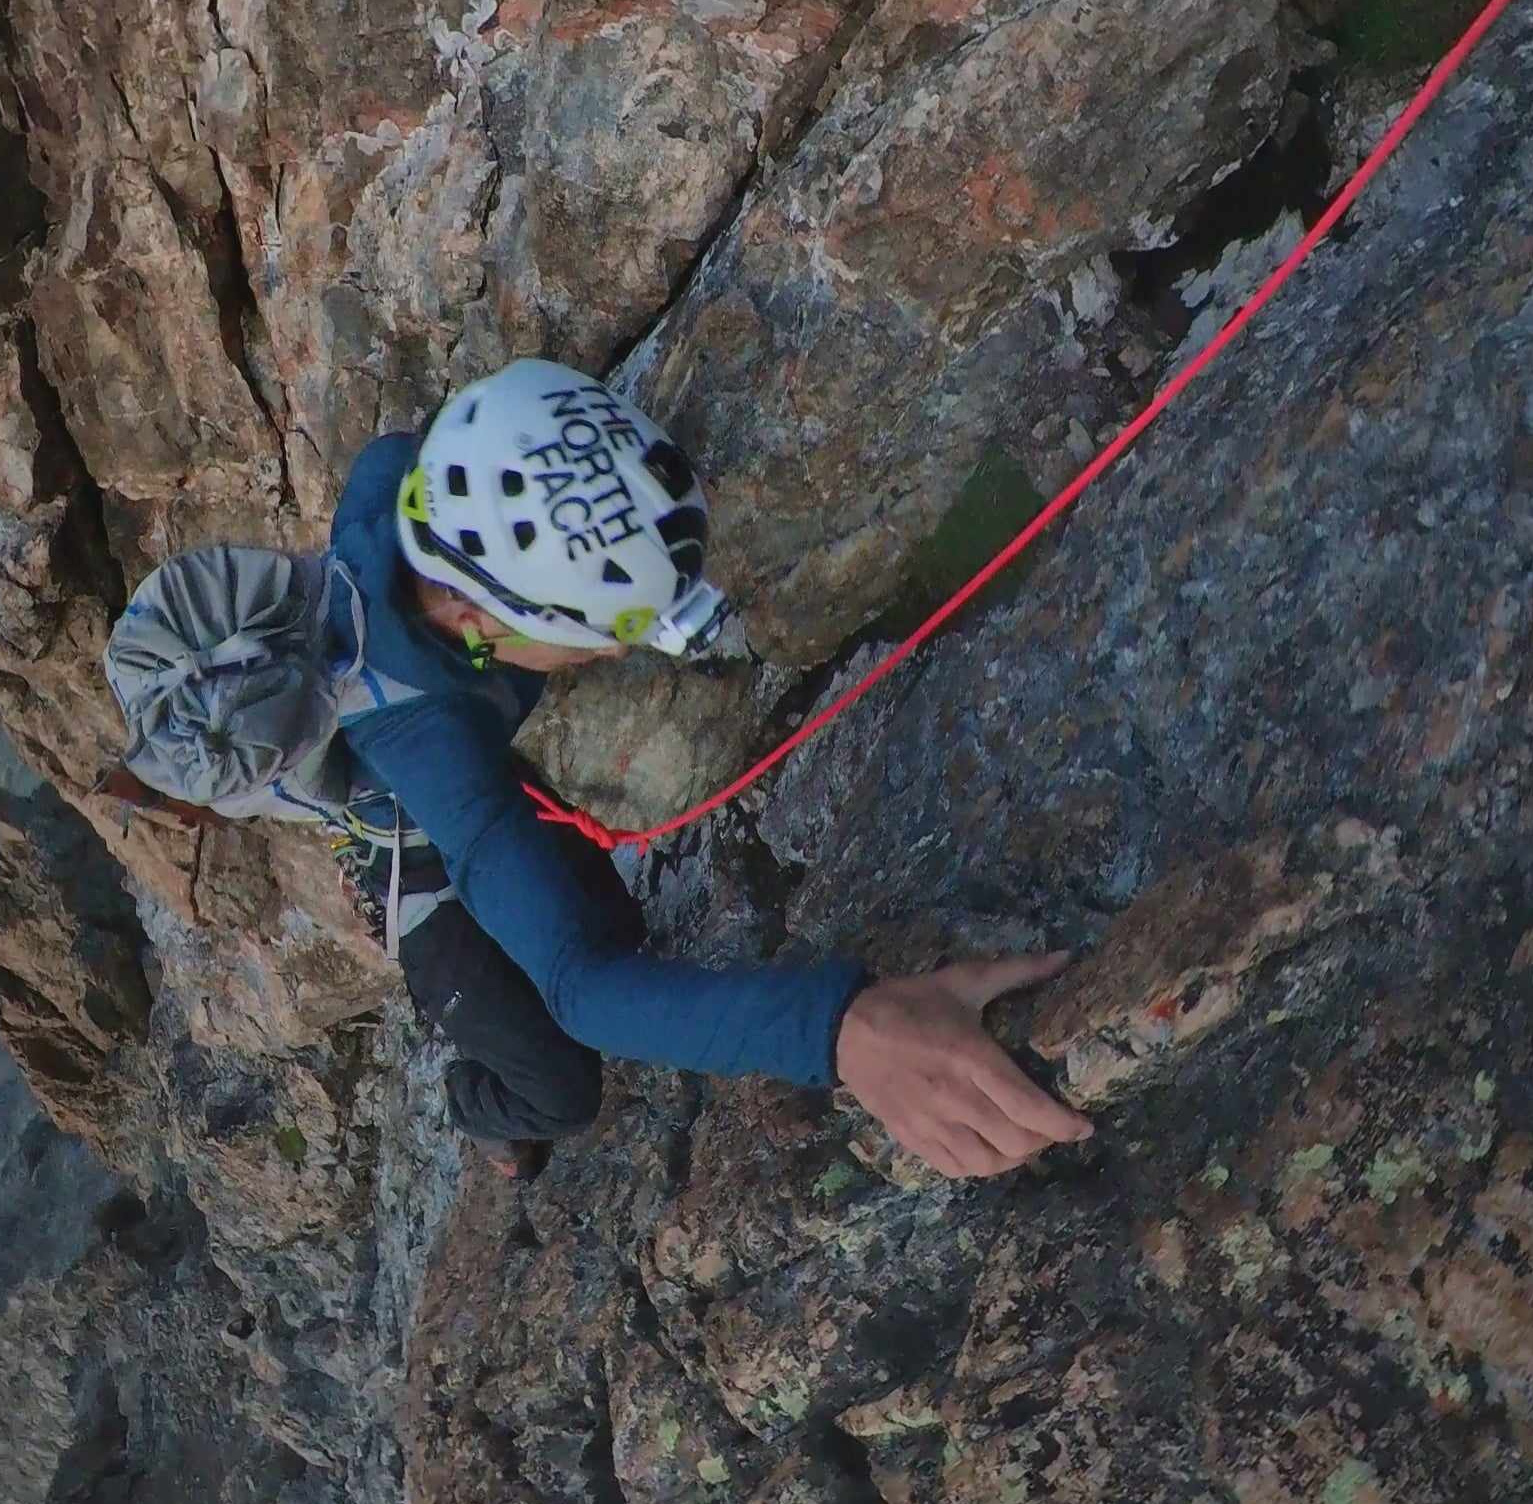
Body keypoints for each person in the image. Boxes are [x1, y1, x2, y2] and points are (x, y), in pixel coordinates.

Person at [318, 358, 1093, 1179]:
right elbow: (583, 993)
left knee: (615, 928)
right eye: (605, 626)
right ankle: (478, 1110)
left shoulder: (403, 486)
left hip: (474, 777)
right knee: (556, 1088)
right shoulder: (427, 740)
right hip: (420, 846)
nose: (616, 648)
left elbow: (397, 457)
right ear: (475, 617)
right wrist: (846, 1031)